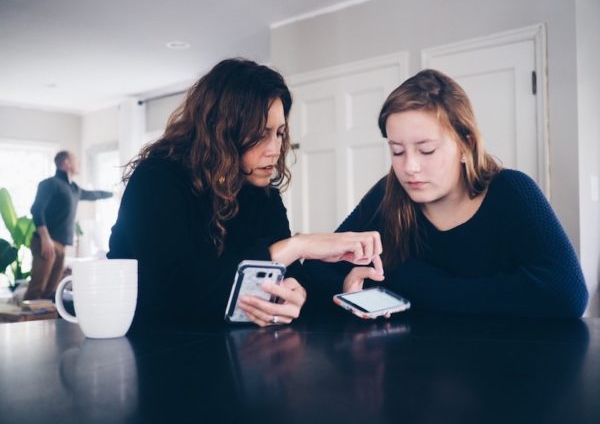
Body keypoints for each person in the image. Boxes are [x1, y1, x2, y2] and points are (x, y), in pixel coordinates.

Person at [107, 58, 382, 329]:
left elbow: (286, 274)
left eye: (279, 133)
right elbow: (175, 294)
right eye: (261, 135)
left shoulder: (262, 194)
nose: (275, 148)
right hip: (150, 351)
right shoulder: (158, 179)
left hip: (228, 354)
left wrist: (306, 291)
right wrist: (297, 246)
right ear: (222, 132)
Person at [305, 69, 588, 318]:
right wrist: (347, 287)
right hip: (412, 369)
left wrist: (412, 285)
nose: (409, 167)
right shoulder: (387, 193)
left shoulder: (512, 191)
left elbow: (566, 295)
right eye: (397, 151)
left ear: (466, 145)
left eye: (426, 150)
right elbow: (313, 271)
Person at [24, 151, 113, 301]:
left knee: (51, 293)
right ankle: (25, 324)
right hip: (46, 243)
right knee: (36, 290)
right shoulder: (50, 184)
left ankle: (45, 324)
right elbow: (36, 210)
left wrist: (114, 194)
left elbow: (93, 195)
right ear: (67, 163)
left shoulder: (74, 189)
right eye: (75, 159)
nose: (78, 163)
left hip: (61, 245)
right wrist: (45, 239)